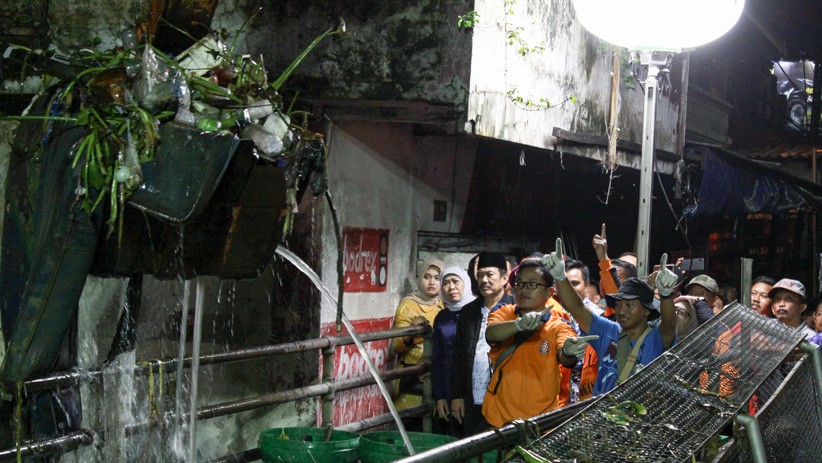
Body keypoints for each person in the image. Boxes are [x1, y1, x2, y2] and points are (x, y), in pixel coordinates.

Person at [546, 238, 678, 395]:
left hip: (639, 417)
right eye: (618, 304)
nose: (621, 311)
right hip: (601, 416)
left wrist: (665, 294)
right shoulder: (608, 331)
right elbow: (578, 308)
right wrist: (560, 277)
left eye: (629, 305)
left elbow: (669, 325)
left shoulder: (655, 338)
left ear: (646, 311)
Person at [482, 257, 581, 427]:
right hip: (498, 419)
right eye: (519, 283)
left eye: (532, 284)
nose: (523, 289)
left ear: (549, 293)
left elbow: (566, 357)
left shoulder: (559, 326)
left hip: (540, 423)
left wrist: (569, 352)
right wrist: (519, 324)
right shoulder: (504, 312)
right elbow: (492, 334)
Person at [449, 252, 512, 436]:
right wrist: (457, 395)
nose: (484, 280)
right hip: (472, 399)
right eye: (480, 275)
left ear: (504, 278)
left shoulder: (515, 311)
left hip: (504, 400)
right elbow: (460, 356)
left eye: (490, 274)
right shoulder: (469, 312)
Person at [392, 258, 445, 408]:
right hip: (412, 371)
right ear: (419, 278)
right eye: (426, 277)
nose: (432, 282)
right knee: (412, 419)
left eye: (437, 278)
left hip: (436, 369)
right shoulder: (408, 305)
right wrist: (412, 330)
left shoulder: (443, 304)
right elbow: (398, 345)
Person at [551, 258, 602, 405]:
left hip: (588, 397)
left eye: (574, 283)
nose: (568, 288)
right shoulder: (554, 312)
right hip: (558, 398)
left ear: (586, 286)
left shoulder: (597, 317)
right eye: (564, 283)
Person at [431, 266, 476, 435]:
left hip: (474, 387)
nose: (451, 288)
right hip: (449, 385)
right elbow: (438, 360)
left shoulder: (476, 312)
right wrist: (440, 396)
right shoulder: (442, 317)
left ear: (465, 283)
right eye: (446, 283)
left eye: (456, 282)